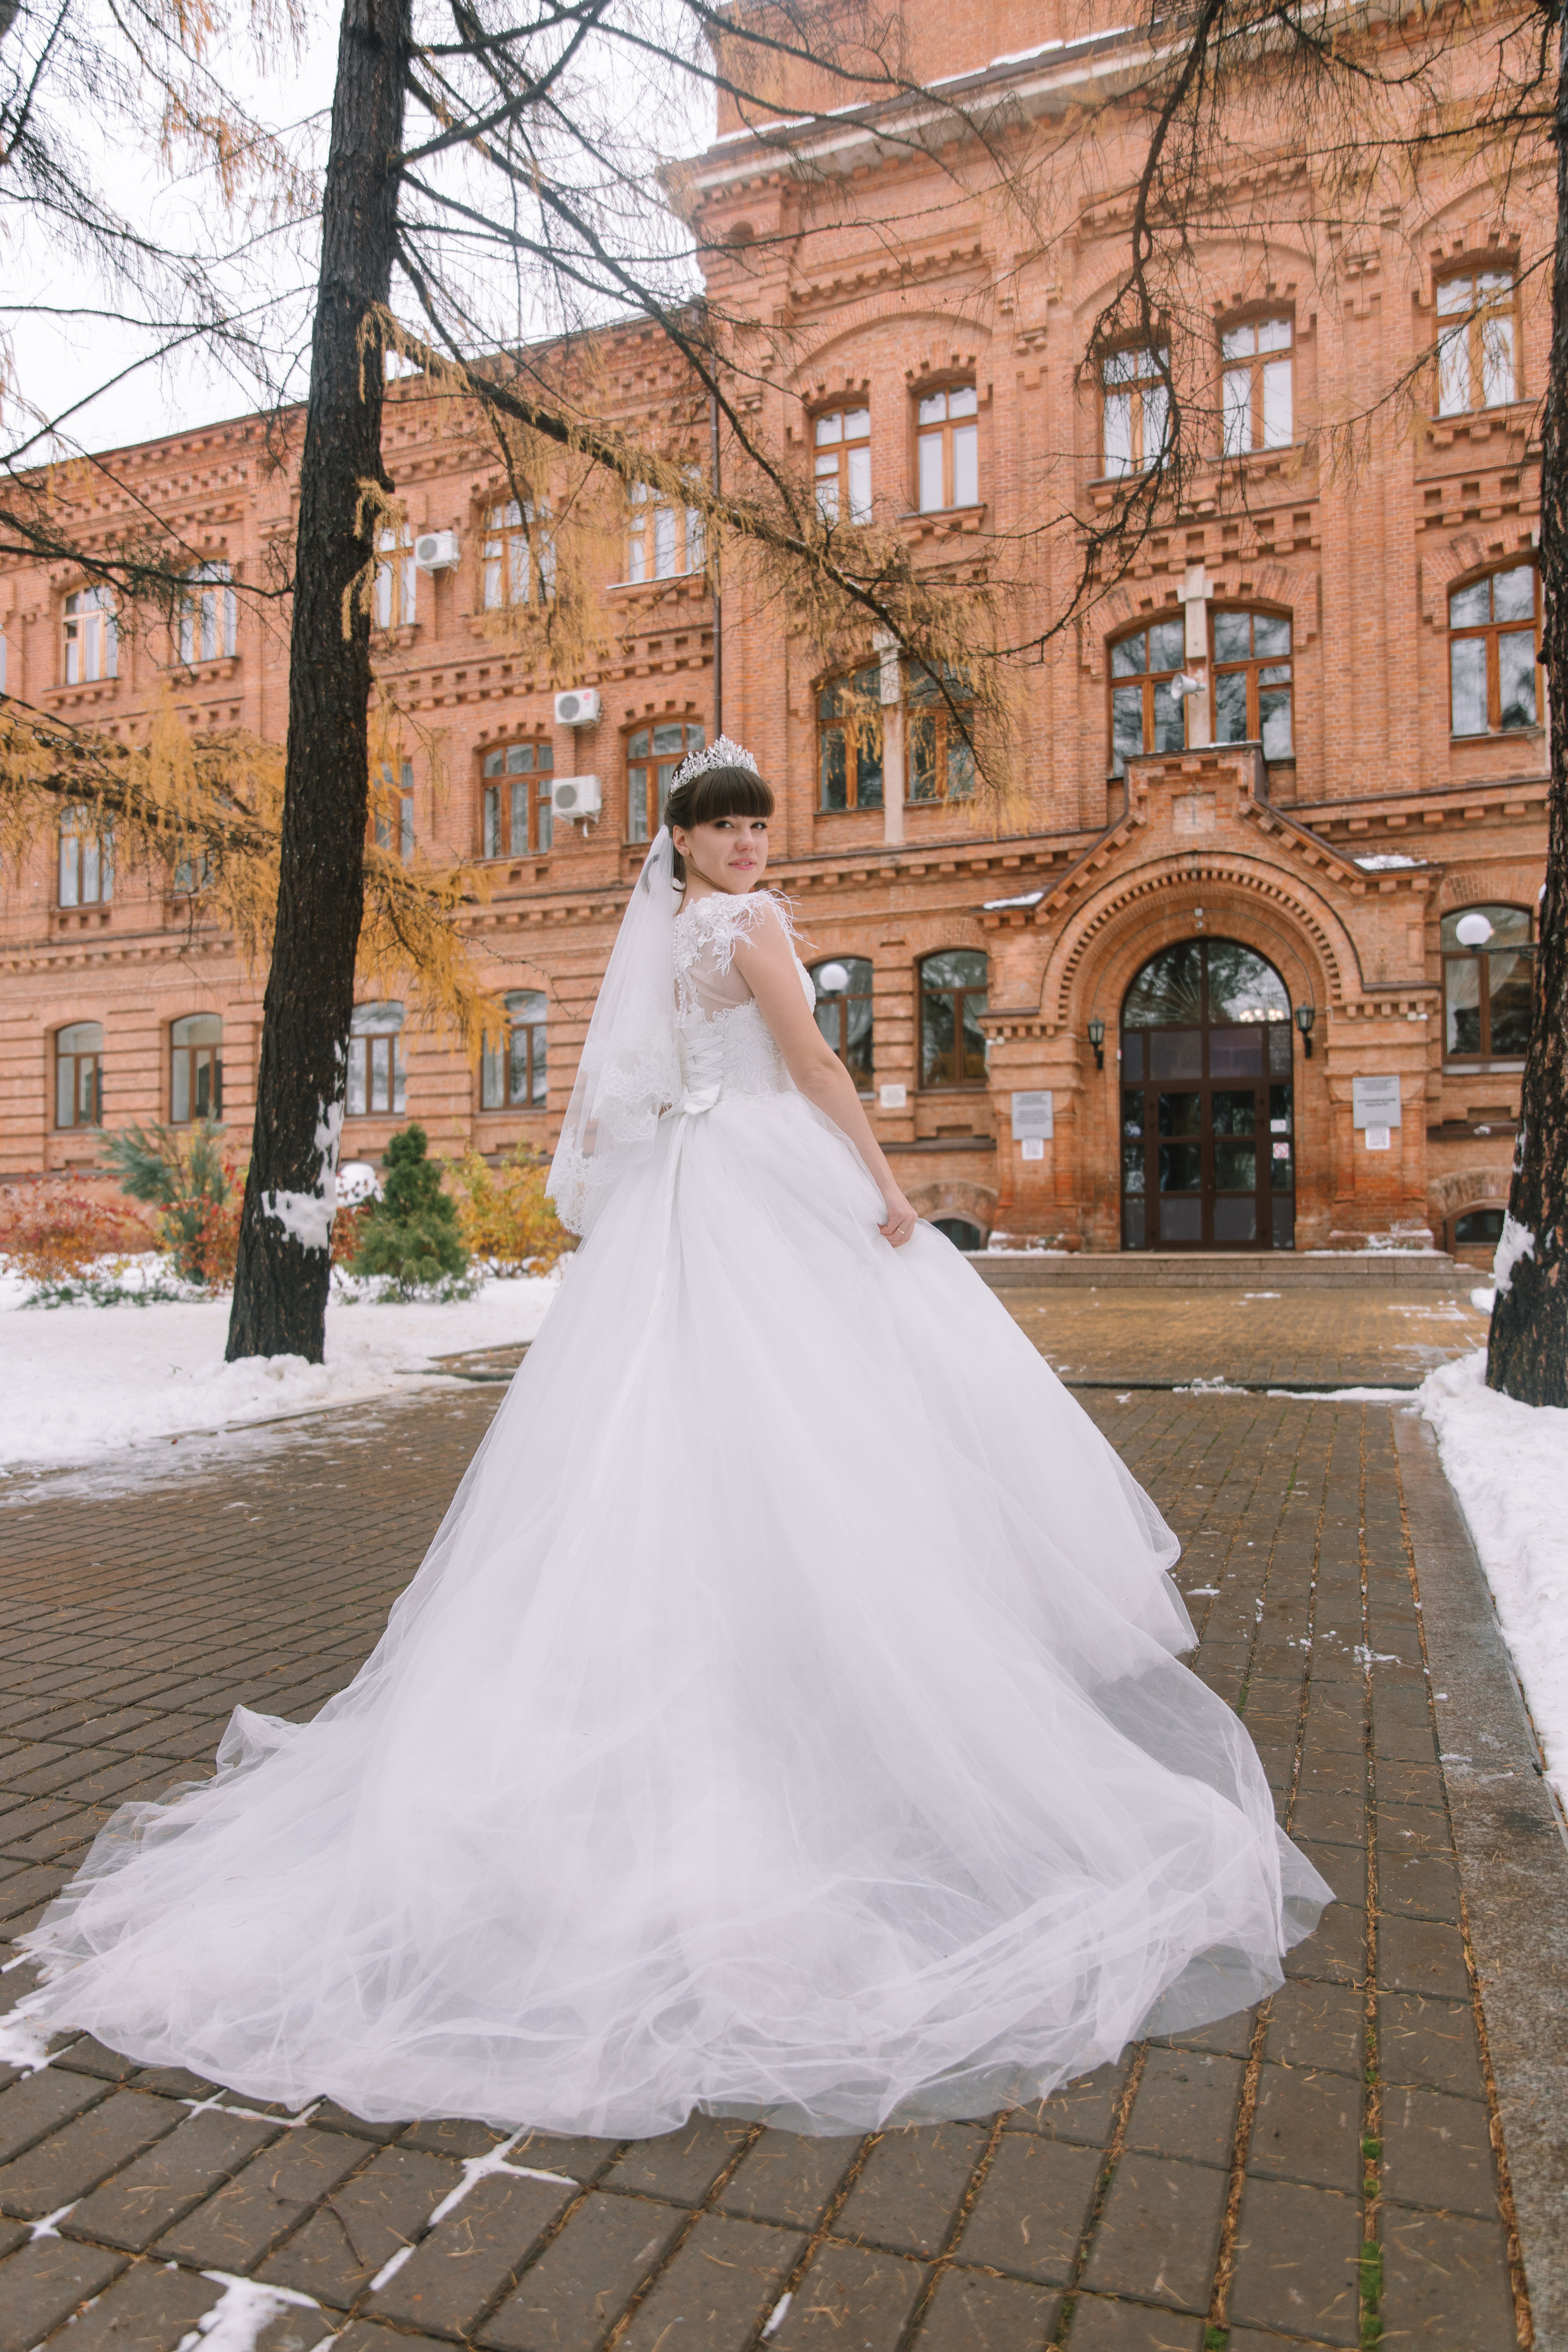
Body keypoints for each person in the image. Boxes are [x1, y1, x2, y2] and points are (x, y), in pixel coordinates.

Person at [19, 739, 1329, 2138]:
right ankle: (841, 1705)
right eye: (726, 827)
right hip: (766, 1179)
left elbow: (637, 1082)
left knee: (675, 1437)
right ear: (685, 841)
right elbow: (812, 1059)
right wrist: (887, 1188)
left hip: (690, 1190)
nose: (751, 844)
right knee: (817, 1432)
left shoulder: (671, 933)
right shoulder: (746, 926)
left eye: (760, 825)